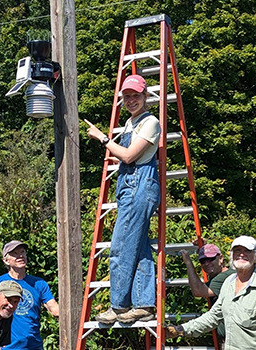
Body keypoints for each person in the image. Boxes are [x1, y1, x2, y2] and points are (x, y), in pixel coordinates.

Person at [85, 74, 161, 324]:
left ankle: (118, 306)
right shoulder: (131, 123)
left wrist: (103, 138)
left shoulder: (150, 122)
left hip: (140, 183)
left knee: (119, 247)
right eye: (126, 96)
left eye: (135, 96)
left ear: (145, 96)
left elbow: (128, 156)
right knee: (138, 246)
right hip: (130, 185)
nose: (130, 100)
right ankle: (144, 304)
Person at [166, 236, 256, 350]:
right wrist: (181, 329)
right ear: (231, 256)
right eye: (237, 251)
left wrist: (188, 262)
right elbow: (213, 317)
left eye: (247, 251)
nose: (241, 254)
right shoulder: (229, 283)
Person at [0, 240, 59, 350]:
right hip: (6, 347)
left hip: (34, 346)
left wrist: (78, 313)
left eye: (22, 252)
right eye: (14, 253)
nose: (20, 256)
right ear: (6, 260)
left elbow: (55, 310)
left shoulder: (39, 284)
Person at [180, 243, 236, 340]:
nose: (206, 263)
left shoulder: (225, 277)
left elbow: (198, 291)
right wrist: (202, 244)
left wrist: (188, 263)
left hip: (235, 340)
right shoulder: (216, 275)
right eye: (203, 261)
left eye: (211, 259)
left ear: (221, 258)